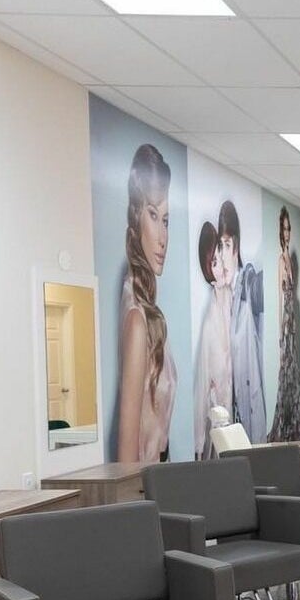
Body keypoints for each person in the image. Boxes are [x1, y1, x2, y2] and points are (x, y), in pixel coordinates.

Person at [114, 144, 176, 463]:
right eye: (153, 215)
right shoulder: (138, 320)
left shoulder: (144, 307)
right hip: (146, 491)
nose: (163, 237)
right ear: (137, 215)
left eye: (166, 220)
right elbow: (126, 455)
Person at [217, 201, 268, 444]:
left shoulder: (248, 285)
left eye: (226, 245)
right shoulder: (225, 297)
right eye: (220, 246)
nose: (222, 254)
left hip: (250, 406)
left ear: (236, 245)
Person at [191, 218, 235, 460]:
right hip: (218, 418)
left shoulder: (229, 298)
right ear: (209, 269)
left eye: (222, 251)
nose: (223, 267)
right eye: (215, 261)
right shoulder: (210, 322)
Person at [271, 207, 300, 442]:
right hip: (286, 327)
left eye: (288, 228)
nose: (287, 233)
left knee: (296, 379)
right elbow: (280, 298)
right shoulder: (280, 261)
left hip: (294, 326)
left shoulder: (289, 261)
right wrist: (281, 338)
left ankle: (293, 432)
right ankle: (284, 434)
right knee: (287, 380)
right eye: (283, 229)